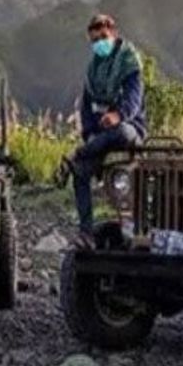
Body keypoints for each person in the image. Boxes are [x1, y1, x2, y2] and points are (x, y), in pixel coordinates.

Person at [66, 14, 147, 248]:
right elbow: (86, 109)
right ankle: (86, 233)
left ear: (113, 33)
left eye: (103, 37)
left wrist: (118, 114)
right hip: (101, 137)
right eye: (95, 41)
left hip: (128, 127)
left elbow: (134, 99)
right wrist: (90, 133)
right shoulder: (93, 70)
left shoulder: (129, 62)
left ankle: (80, 152)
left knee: (121, 131)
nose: (99, 44)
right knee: (80, 173)